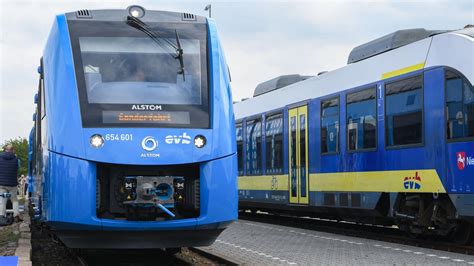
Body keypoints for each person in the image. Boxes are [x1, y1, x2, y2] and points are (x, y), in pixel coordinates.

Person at [0, 145, 20, 225]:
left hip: (2, 184)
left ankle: (1, 216)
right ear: (12, 150)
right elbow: (17, 169)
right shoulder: (16, 160)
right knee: (14, 200)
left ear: (5, 150)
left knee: (2, 201)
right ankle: (16, 215)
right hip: (12, 185)